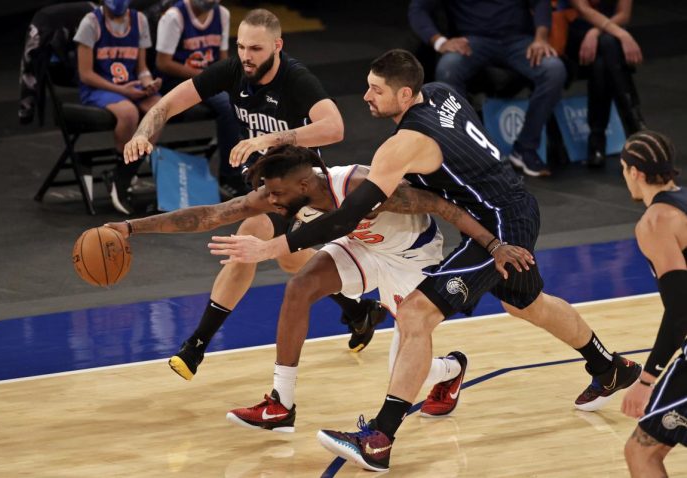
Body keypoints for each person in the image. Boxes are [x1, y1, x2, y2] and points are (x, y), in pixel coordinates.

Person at [208, 50, 642, 472]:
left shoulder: (404, 145)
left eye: (376, 90)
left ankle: (379, 438)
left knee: (416, 312)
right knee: (527, 303)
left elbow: (344, 217)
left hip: (499, 224)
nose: (366, 97)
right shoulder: (438, 91)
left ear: (404, 95)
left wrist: (273, 248)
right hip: (510, 207)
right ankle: (609, 366)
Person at [107, 144, 533, 431]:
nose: (271, 202)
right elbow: (211, 214)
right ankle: (280, 404)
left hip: (411, 258)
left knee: (404, 371)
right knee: (300, 285)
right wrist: (129, 227)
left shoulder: (365, 186)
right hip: (362, 248)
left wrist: (495, 246)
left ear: (305, 186)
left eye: (277, 193)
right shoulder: (286, 191)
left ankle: (452, 368)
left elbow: (443, 207)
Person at [122, 8, 386, 379]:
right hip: (264, 182)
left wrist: (272, 138)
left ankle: (195, 346)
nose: (247, 55)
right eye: (242, 46)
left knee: (247, 240)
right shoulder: (233, 71)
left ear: (278, 46)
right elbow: (167, 104)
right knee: (292, 261)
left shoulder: (296, 79)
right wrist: (141, 134)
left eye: (256, 49)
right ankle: (360, 311)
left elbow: (336, 126)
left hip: (301, 183)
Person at [408, 0, 566, 177]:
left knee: (554, 70)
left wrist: (541, 38)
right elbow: (418, 8)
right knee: (448, 68)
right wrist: (439, 41)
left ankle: (526, 147)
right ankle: (465, 150)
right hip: (472, 41)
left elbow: (540, 3)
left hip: (518, 40)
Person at [617, 131, 687, 477]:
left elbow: (680, 310)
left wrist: (646, 380)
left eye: (624, 169)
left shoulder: (656, 222)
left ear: (636, 173)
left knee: (641, 453)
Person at [74, 0, 163, 214]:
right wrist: (122, 91)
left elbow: (141, 68)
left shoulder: (139, 20)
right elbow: (85, 74)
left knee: (160, 107)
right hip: (98, 89)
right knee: (129, 113)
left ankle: (120, 175)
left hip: (131, 86)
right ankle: (122, 180)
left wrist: (148, 83)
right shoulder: (91, 23)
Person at [155, 0, 245, 197]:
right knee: (230, 106)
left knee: (251, 96)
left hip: (209, 80)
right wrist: (208, 78)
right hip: (177, 82)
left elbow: (222, 58)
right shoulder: (174, 16)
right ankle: (230, 175)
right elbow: (162, 63)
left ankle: (251, 166)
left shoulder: (222, 14)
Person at [567, 0, 646, 167]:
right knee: (608, 45)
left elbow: (624, 14)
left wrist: (596, 32)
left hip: (607, 35)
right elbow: (583, 9)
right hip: (576, 33)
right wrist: (622, 34)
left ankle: (596, 139)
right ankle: (635, 128)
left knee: (602, 60)